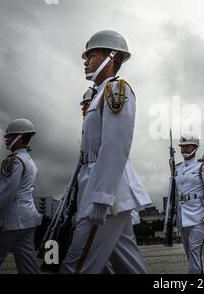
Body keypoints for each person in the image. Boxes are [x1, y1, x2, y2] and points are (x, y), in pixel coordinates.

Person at [59, 29, 151, 274]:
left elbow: (114, 147)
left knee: (75, 266)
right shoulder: (97, 95)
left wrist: (101, 197)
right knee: (126, 266)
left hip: (105, 192)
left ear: (111, 57)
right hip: (97, 187)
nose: (86, 61)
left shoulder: (116, 90)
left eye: (92, 55)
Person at [0, 119, 42, 274]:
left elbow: (6, 195)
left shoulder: (14, 161)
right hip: (28, 220)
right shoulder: (30, 161)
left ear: (19, 137)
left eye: (9, 136)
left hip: (10, 221)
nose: (6, 139)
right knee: (28, 266)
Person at [174, 133, 204, 274]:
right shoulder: (177, 169)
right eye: (182, 147)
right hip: (183, 218)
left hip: (198, 217)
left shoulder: (202, 166)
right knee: (192, 256)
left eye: (187, 146)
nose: (184, 149)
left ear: (195, 147)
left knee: (196, 254)